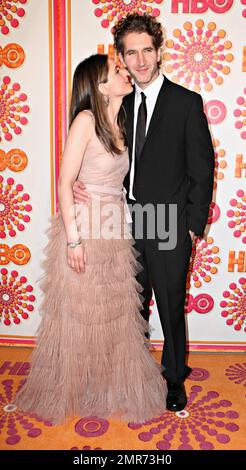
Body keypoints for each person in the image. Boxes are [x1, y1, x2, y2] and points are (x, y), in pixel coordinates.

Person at [14, 53, 167, 425]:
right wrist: (73, 240)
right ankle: (76, 386)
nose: (126, 71)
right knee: (82, 312)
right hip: (84, 227)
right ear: (100, 86)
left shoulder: (123, 121)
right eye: (117, 70)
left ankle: (103, 383)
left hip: (114, 226)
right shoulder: (85, 120)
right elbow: (65, 183)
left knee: (110, 311)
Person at [73, 14, 215, 412]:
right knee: (128, 304)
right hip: (120, 219)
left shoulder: (187, 103)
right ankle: (130, 373)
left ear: (159, 52)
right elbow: (95, 151)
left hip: (169, 221)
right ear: (121, 56)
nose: (139, 61)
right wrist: (79, 183)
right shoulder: (115, 102)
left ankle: (173, 379)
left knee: (169, 303)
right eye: (130, 53)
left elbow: (203, 169)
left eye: (146, 51)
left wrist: (192, 226)